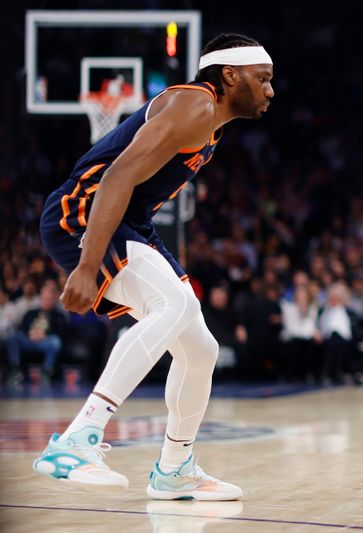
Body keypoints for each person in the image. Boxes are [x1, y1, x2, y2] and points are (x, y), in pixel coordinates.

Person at [34, 33, 275, 500]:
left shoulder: (211, 121)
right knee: (169, 304)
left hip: (131, 225)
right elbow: (117, 176)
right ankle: (75, 443)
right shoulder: (194, 106)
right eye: (262, 79)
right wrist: (86, 267)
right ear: (230, 75)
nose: (270, 90)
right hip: (83, 212)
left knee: (200, 348)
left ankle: (174, 468)